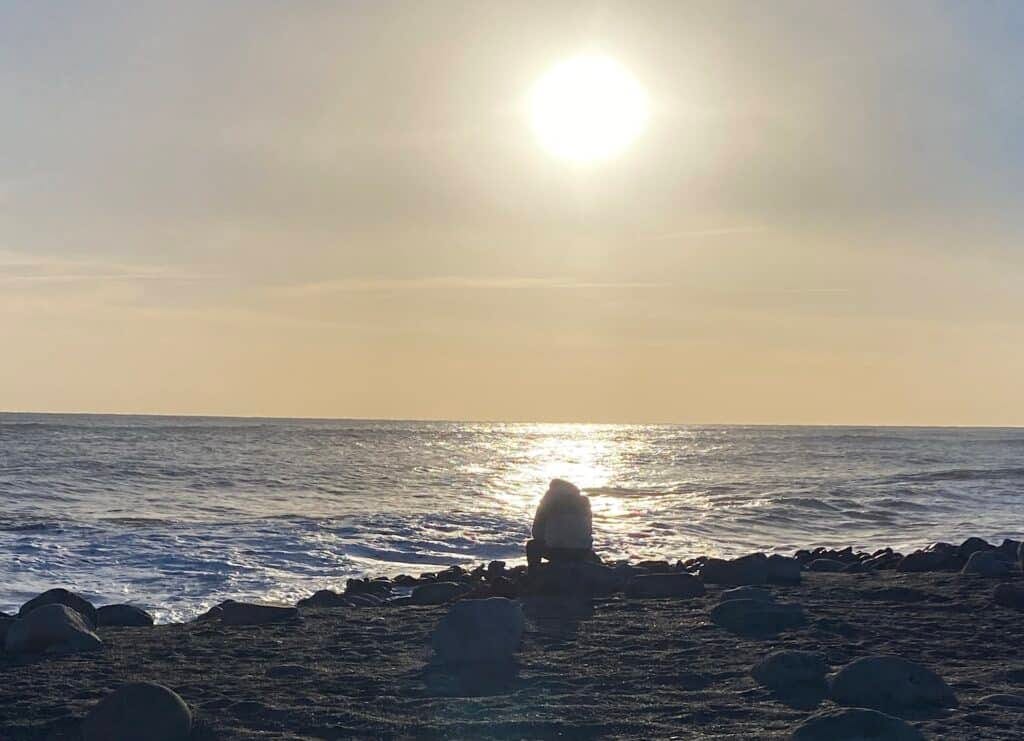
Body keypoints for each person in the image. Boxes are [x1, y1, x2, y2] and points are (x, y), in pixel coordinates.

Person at [526, 478, 597, 568]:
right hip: (582, 552)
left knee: (532, 545)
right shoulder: (584, 501)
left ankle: (534, 574)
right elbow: (588, 531)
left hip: (557, 552)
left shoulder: (548, 501)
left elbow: (537, 533)